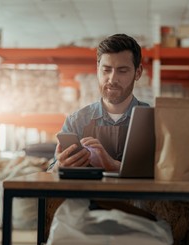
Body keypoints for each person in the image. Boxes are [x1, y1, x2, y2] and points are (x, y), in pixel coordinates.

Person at [48, 33, 149, 172]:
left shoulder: (154, 121)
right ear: (97, 70)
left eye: (122, 71)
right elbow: (50, 177)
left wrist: (114, 166)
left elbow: (167, 175)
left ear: (138, 72)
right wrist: (60, 167)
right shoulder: (76, 122)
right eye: (106, 70)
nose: (112, 79)